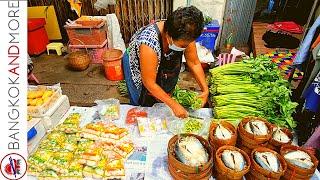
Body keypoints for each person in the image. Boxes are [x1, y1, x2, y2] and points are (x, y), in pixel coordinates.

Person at [122, 6, 209, 118]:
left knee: (163, 93)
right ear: (168, 36)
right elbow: (149, 82)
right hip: (136, 62)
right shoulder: (148, 44)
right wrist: (174, 105)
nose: (186, 47)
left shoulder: (186, 34)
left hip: (157, 55)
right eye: (183, 46)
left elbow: (194, 62)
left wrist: (205, 90)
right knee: (140, 99)